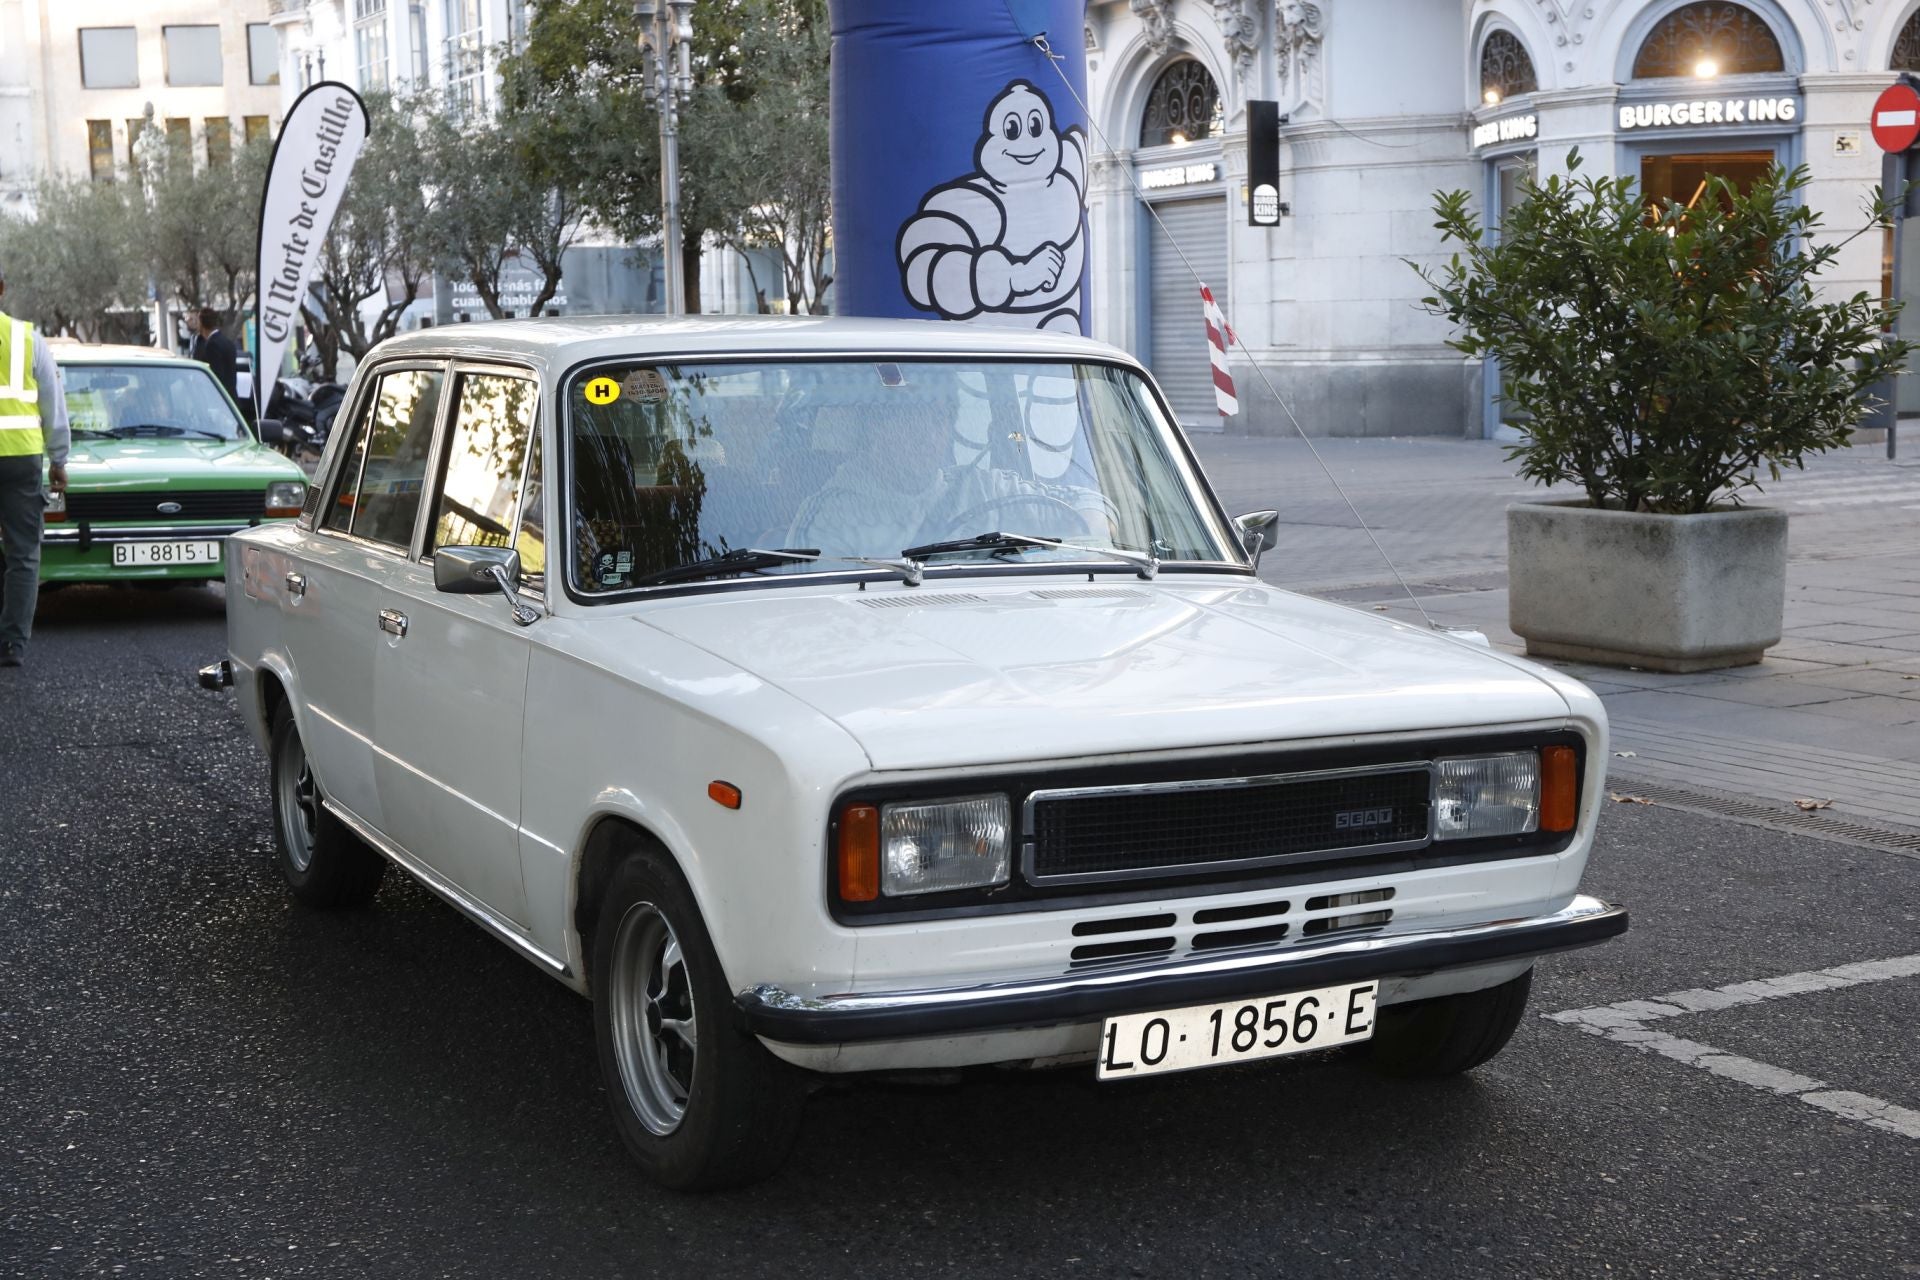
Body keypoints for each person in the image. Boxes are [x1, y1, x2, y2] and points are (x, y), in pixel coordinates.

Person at [0, 269, 71, 667]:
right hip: (20, 458)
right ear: (2, 290)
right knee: (23, 553)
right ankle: (12, 644)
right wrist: (59, 460)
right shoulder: (27, 339)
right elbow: (52, 405)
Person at [186, 306, 239, 407]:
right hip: (232, 401)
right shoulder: (227, 342)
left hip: (220, 403)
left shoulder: (212, 344)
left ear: (201, 323)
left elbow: (216, 376)